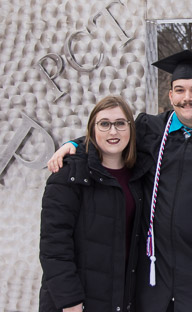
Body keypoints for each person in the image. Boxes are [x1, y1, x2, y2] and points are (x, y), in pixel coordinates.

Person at [47, 50, 192, 312]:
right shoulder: (150, 129)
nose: (187, 98)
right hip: (153, 273)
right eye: (179, 90)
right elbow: (113, 136)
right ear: (170, 95)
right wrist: (74, 145)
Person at [39, 95, 149, 312]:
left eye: (120, 123)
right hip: (76, 302)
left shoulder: (139, 174)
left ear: (131, 128)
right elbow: (54, 245)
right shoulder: (70, 174)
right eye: (104, 124)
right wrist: (70, 302)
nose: (113, 131)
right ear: (92, 129)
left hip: (119, 298)